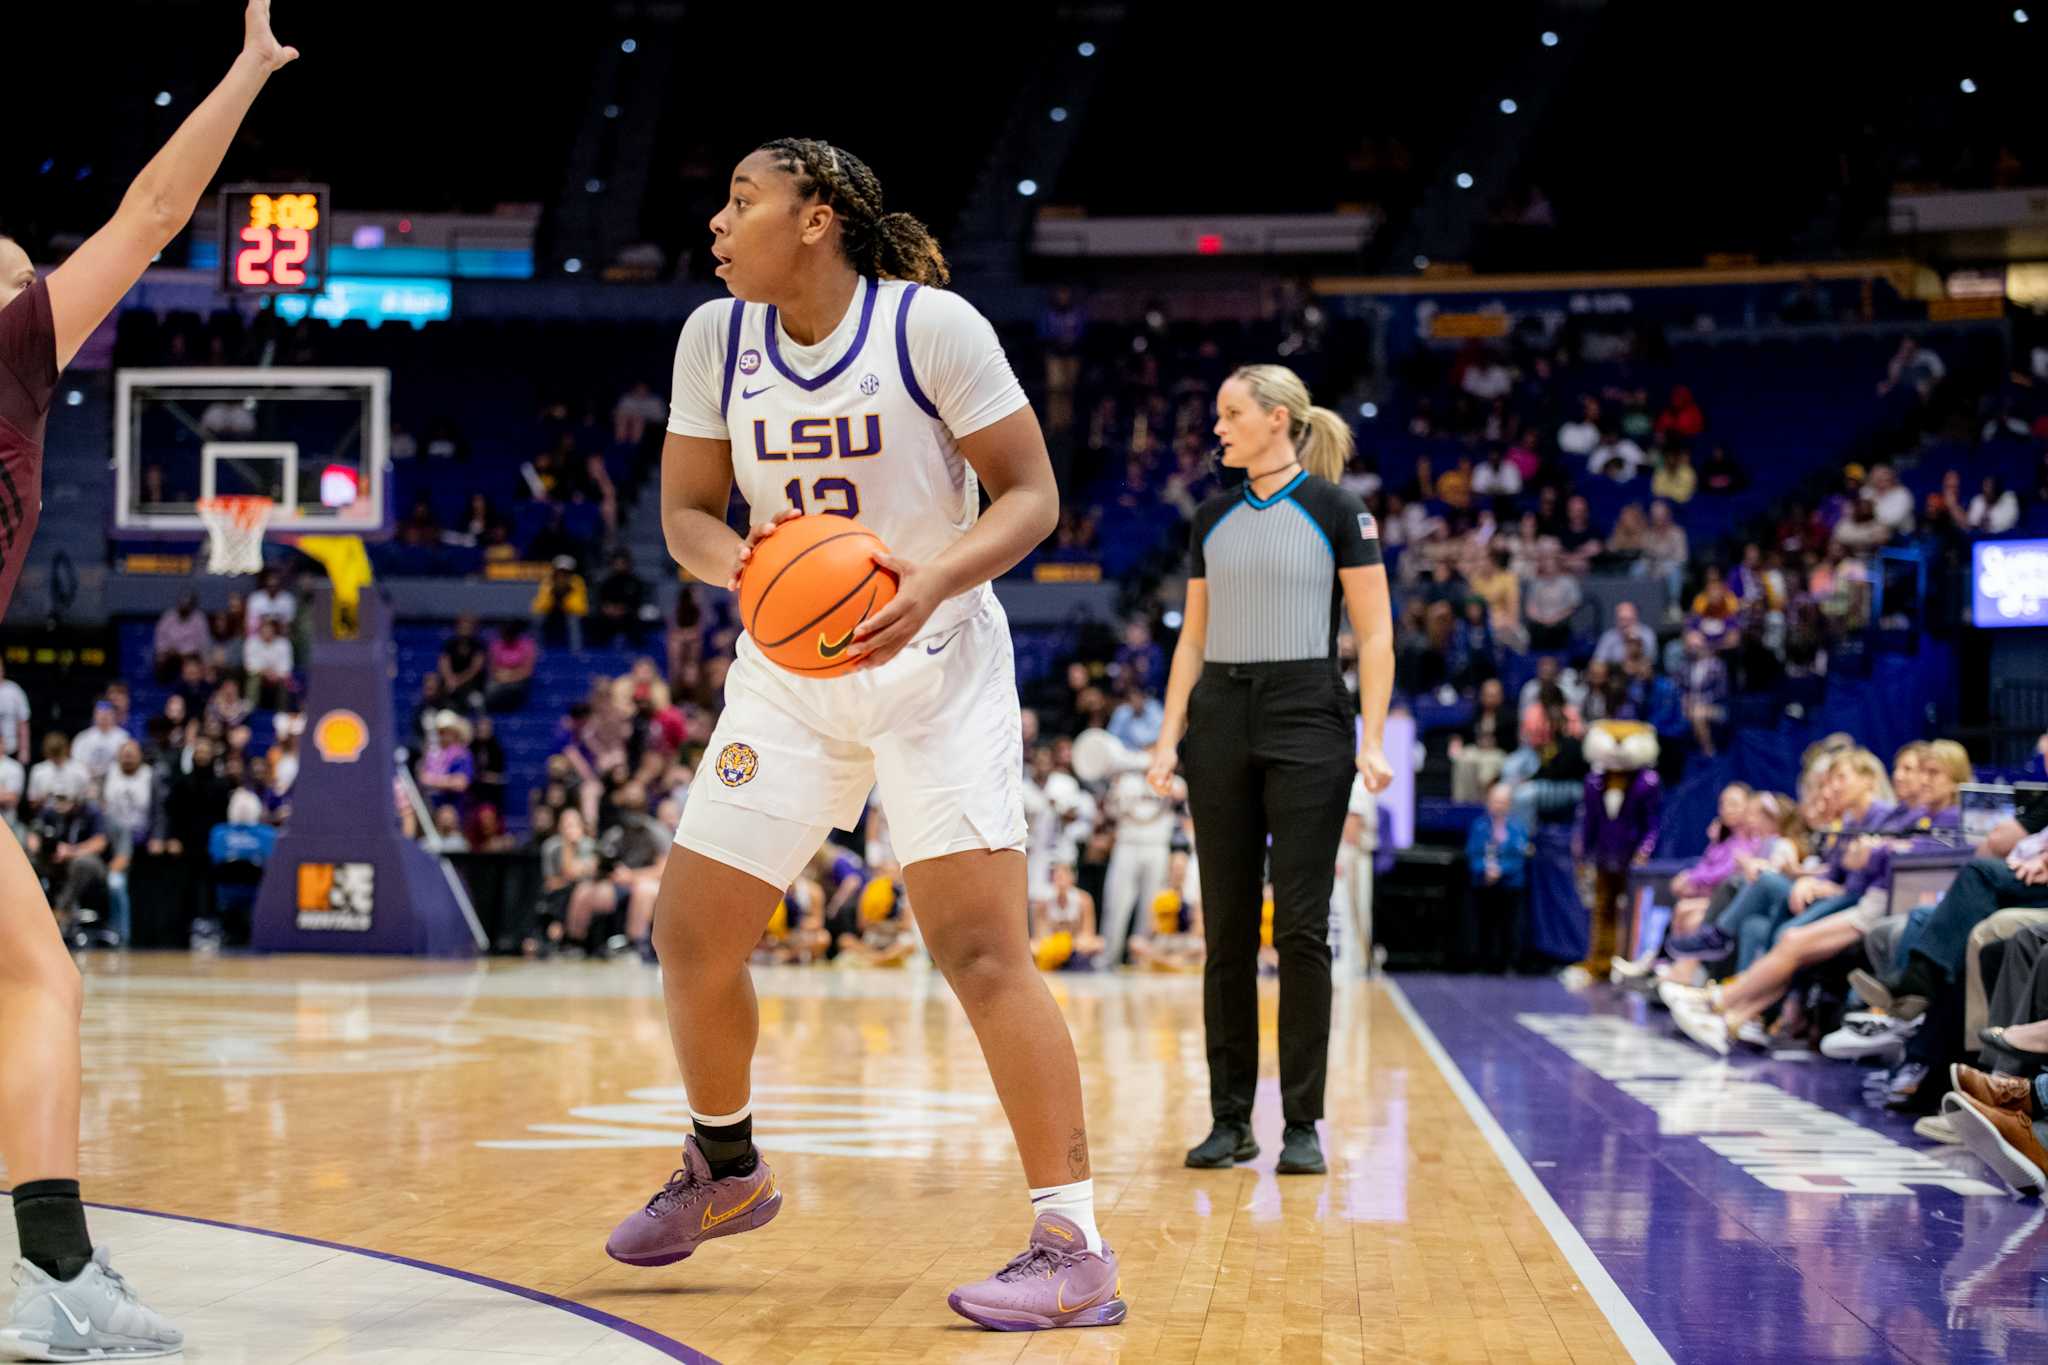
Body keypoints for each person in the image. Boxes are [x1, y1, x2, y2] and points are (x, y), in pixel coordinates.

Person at [614, 137, 1122, 1331]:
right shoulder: (713, 338)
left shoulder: (928, 330)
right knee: (687, 935)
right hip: (790, 674)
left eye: (743, 199)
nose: (720, 223)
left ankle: (1075, 1243)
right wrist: (747, 565)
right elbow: (687, 514)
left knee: (982, 953)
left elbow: (1031, 496)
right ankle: (726, 1166)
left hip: (932, 664)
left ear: (816, 217)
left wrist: (929, 582)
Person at [0, 14, 294, 1349]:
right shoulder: (10, 347)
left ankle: (56, 1266)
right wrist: (246, 72)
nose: (33, 277)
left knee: (33, 979)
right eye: (15, 268)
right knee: (36, 985)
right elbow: (161, 205)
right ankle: (55, 1274)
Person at [1147, 362, 1395, 1179]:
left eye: (1231, 413)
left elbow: (1377, 634)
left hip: (1307, 713)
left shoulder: (1338, 510)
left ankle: (1301, 1123)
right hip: (1219, 714)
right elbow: (1191, 637)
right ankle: (1229, 1121)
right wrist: (1167, 734)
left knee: (1299, 927)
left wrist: (1374, 736)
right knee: (1223, 930)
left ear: (1279, 419)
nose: (1217, 429)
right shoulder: (1211, 517)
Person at [1466, 784, 1532, 973]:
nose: (1498, 806)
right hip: (1484, 883)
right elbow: (1473, 853)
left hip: (1510, 885)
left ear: (1509, 804)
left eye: (1502, 802)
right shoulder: (1479, 826)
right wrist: (1485, 870)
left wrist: (1500, 871)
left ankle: (1509, 962)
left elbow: (1518, 857)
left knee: (1510, 926)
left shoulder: (1517, 828)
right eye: (1495, 801)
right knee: (1485, 924)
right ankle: (1484, 961)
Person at [152, 591, 210, 682]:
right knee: (161, 661)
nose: (184, 607)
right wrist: (167, 651)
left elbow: (202, 644)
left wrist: (185, 653)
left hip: (191, 656)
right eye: (182, 604)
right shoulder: (168, 617)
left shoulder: (199, 619)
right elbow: (160, 642)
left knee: (199, 665)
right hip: (171, 656)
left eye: (187, 604)